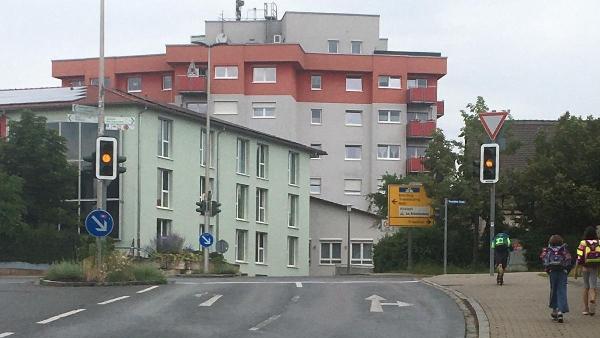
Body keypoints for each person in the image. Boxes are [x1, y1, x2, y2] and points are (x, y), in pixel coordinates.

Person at [540, 235, 574, 323]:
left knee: (553, 290)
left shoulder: (548, 250)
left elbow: (544, 260)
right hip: (562, 272)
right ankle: (560, 311)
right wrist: (567, 270)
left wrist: (548, 270)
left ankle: (554, 310)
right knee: (562, 290)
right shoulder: (564, 249)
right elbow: (569, 260)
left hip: (552, 272)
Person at [575, 226, 600, 316]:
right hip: (595, 266)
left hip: (585, 267)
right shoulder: (599, 242)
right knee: (593, 287)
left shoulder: (583, 243)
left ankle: (586, 309)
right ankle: (592, 300)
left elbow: (579, 256)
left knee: (586, 287)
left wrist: (576, 270)